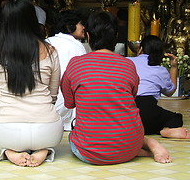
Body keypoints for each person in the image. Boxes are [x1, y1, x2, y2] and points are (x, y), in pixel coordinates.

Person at [61, 11, 172, 165]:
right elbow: (131, 97)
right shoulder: (128, 65)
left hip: (89, 152)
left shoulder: (75, 64)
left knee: (72, 136)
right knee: (124, 131)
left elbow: (70, 103)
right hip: (130, 145)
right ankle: (147, 144)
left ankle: (126, 149)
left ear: (88, 36)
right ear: (116, 36)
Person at [0, 0, 63, 167]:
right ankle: (44, 149)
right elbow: (53, 94)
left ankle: (9, 151)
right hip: (47, 130)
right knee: (52, 129)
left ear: (4, 21)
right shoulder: (50, 50)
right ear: (32, 20)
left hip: (7, 131)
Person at [128, 35, 190, 139]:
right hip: (149, 113)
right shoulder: (160, 70)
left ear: (141, 49)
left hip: (127, 112)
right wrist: (174, 66)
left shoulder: (128, 62)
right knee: (176, 117)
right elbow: (170, 91)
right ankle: (165, 130)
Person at [46, 10, 87, 131]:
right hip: (66, 104)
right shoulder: (77, 46)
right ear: (70, 26)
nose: (83, 27)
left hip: (46, 102)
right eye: (80, 24)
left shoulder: (47, 42)